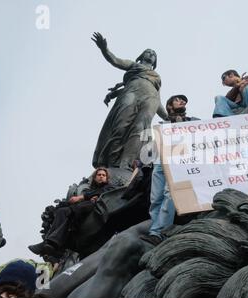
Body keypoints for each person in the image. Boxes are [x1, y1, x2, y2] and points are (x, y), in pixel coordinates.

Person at [91, 32, 168, 171]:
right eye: (148, 52)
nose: (151, 54)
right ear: (141, 55)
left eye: (153, 54)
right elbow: (114, 60)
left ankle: (127, 163)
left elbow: (159, 100)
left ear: (155, 61)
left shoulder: (156, 77)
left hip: (151, 99)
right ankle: (112, 162)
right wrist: (104, 49)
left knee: (141, 129)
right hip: (131, 93)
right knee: (120, 126)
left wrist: (169, 118)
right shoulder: (133, 65)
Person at [140, 95, 199, 246]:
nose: (183, 102)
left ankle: (159, 232)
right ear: (169, 106)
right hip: (160, 162)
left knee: (169, 194)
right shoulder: (161, 125)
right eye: (178, 100)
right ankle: (155, 230)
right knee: (156, 198)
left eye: (184, 100)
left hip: (179, 160)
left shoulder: (193, 121)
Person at [28, 167, 114, 256]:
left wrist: (81, 197)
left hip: (95, 207)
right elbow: (93, 193)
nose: (101, 176)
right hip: (82, 209)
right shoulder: (91, 189)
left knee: (66, 211)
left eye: (103, 175)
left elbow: (104, 191)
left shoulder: (109, 187)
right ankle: (49, 242)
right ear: (95, 177)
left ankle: (51, 243)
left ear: (106, 178)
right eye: (99, 175)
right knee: (61, 211)